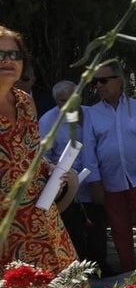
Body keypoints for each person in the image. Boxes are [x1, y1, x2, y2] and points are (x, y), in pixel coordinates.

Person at [0, 25, 78, 272]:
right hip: (6, 228)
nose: (8, 60)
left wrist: (52, 170)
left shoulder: (26, 102)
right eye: (0, 54)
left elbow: (30, 154)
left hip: (42, 219)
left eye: (14, 54)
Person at [82, 61, 136, 272]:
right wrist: (95, 182)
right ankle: (128, 275)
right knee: (120, 231)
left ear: (119, 81)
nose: (98, 85)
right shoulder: (92, 114)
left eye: (103, 80)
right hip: (110, 181)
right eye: (95, 81)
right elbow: (88, 150)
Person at [41, 80, 110, 274]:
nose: (67, 104)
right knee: (74, 231)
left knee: (98, 226)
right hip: (67, 186)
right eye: (62, 101)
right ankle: (78, 272)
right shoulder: (48, 121)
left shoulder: (91, 114)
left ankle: (100, 266)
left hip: (94, 181)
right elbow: (43, 155)